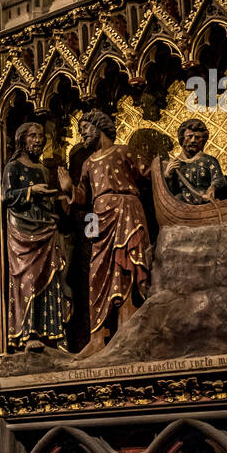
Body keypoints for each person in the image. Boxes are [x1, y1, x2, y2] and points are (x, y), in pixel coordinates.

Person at [72, 109, 152, 356]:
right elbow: (83, 197)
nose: (82, 135)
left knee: (127, 261)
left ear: (99, 126)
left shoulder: (123, 151)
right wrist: (68, 189)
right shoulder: (88, 163)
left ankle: (127, 322)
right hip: (98, 215)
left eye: (85, 128)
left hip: (126, 208)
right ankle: (97, 338)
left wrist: (166, 167)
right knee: (98, 270)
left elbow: (147, 175)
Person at [1, 121, 72, 350]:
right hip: (22, 230)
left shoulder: (42, 170)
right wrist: (32, 191)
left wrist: (58, 197)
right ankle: (27, 332)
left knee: (51, 277)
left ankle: (54, 333)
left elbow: (47, 200)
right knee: (27, 280)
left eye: (41, 136)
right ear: (22, 140)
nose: (39, 140)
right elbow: (6, 196)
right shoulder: (12, 167)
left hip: (44, 227)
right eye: (33, 136)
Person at [163, 117, 226, 204]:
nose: (193, 140)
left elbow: (219, 179)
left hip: (205, 201)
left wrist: (213, 188)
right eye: (189, 136)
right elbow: (170, 192)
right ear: (182, 138)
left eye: (197, 137)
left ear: (203, 140)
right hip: (182, 204)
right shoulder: (174, 164)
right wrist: (168, 176)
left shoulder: (209, 160)